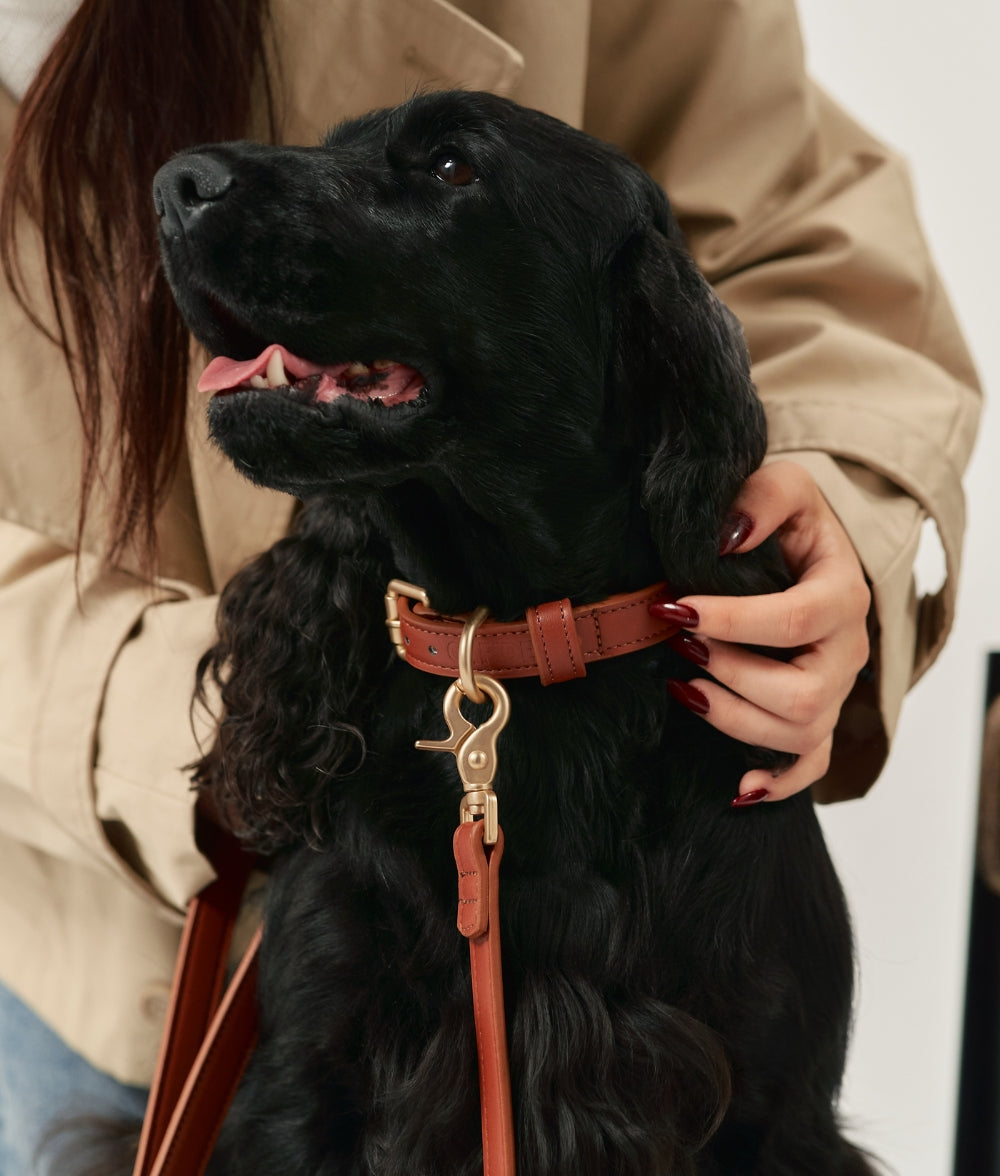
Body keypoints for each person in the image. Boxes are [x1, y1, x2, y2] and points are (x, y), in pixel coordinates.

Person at [0, 0, 980, 1169]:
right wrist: (219, 710)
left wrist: (829, 514)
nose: (193, 190)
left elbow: (799, 224)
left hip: (669, 790)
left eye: (443, 168)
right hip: (116, 947)